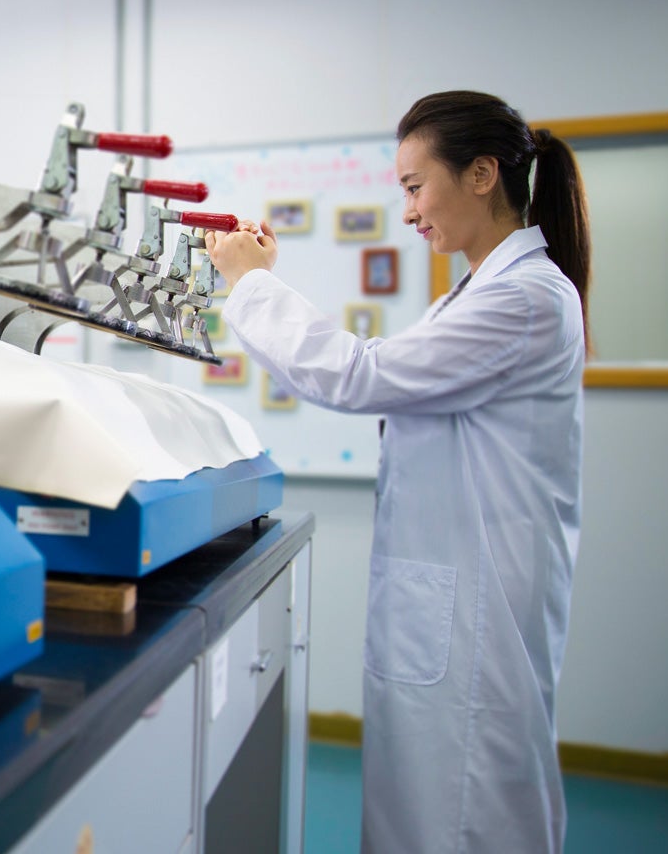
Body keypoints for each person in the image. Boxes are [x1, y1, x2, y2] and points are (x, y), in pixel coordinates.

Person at [204, 90, 590, 854]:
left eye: (416, 187)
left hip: (477, 623)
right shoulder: (476, 295)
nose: (409, 211)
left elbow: (358, 375)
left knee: (463, 823)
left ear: (482, 174)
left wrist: (250, 284)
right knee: (424, 817)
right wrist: (261, 278)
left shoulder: (525, 301)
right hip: (446, 611)